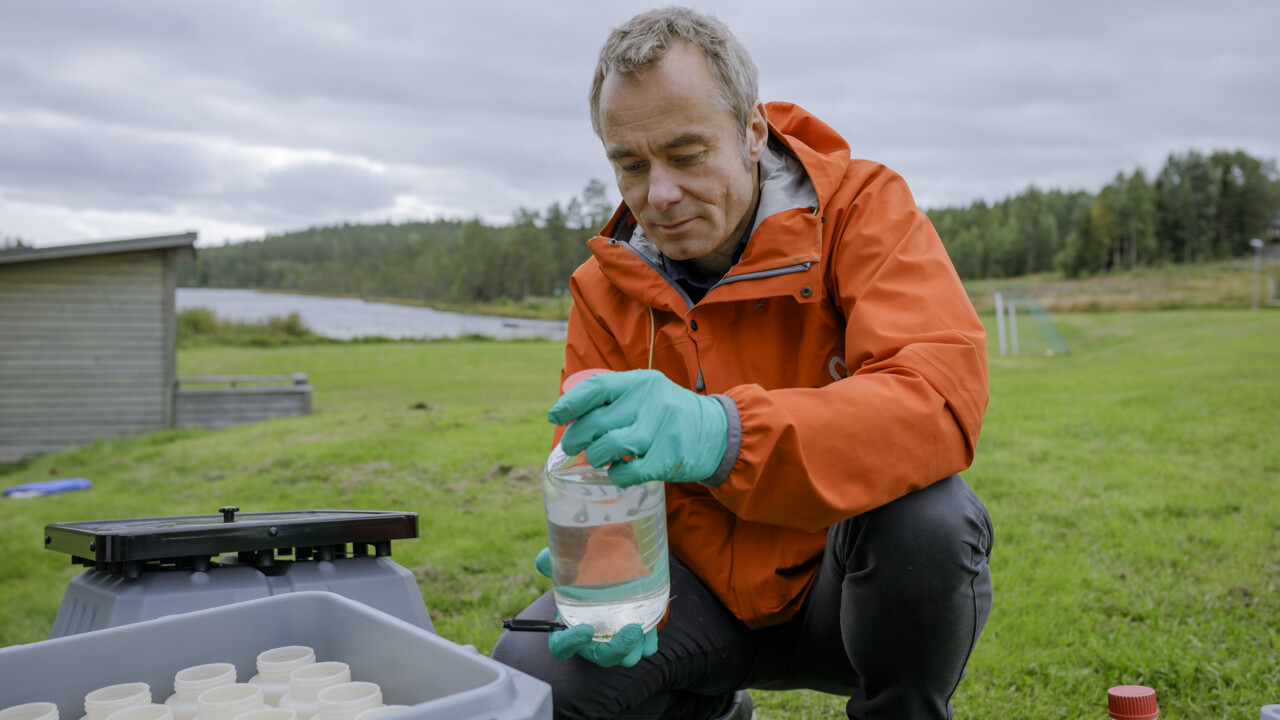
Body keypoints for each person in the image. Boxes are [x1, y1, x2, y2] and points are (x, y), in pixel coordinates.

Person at [492, 7, 994, 719]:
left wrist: (720, 433)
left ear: (753, 133)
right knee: (532, 678)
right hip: (689, 598)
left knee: (929, 519)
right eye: (629, 165)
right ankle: (707, 710)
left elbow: (937, 397)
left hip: (844, 586)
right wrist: (604, 561)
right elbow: (590, 470)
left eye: (686, 154)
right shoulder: (605, 289)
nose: (658, 195)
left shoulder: (862, 211)